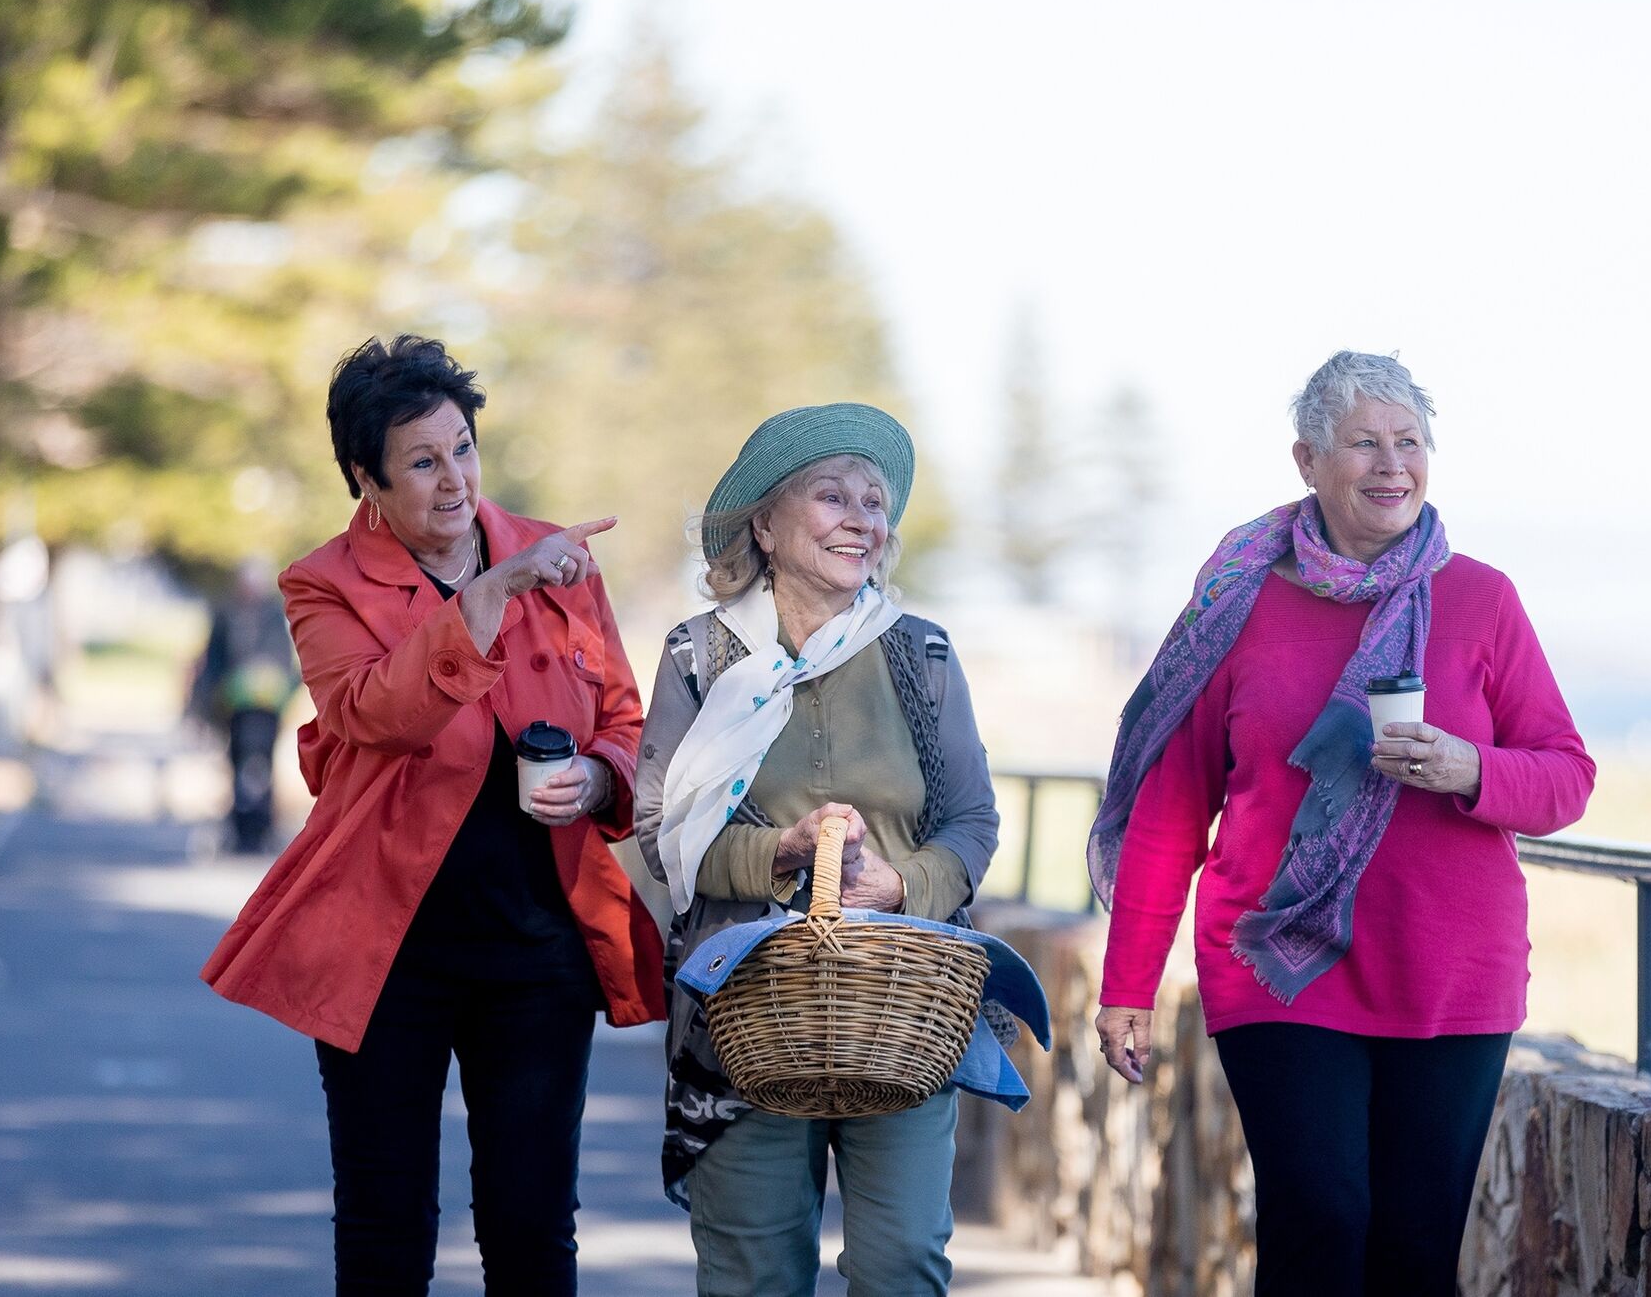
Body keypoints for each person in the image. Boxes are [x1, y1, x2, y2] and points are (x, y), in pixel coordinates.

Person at [1089, 351, 1594, 1297]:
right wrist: (1128, 986)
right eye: (1363, 442)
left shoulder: (1482, 599)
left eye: (1409, 442)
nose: (1391, 463)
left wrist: (1468, 768)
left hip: (1451, 972)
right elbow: (1170, 809)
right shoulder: (1237, 602)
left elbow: (1567, 777)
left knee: (1414, 1247)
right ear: (1307, 461)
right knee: (1320, 1217)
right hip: (1277, 961)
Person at [200, 335, 664, 1296]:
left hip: (539, 948)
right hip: (384, 950)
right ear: (366, 479)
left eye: (463, 448)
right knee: (385, 1224)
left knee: (534, 1226)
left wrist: (598, 777)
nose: (453, 479)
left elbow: (626, 720)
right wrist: (492, 594)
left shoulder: (560, 557)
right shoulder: (321, 584)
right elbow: (369, 711)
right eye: (421, 461)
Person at [635, 403, 1001, 1297]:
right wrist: (781, 855)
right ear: (764, 523)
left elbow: (973, 822)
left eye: (873, 504)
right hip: (742, 1011)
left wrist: (899, 884)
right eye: (831, 497)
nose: (860, 520)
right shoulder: (699, 656)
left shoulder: (925, 656)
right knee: (754, 1272)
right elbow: (659, 830)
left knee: (903, 1261)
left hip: (904, 1008)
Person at [190, 556, 299, 853]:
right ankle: (239, 828)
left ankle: (262, 826)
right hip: (234, 707)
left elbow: (283, 660)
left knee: (261, 766)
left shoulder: (273, 615)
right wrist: (207, 700)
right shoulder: (227, 614)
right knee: (237, 764)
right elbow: (213, 659)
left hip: (265, 708)